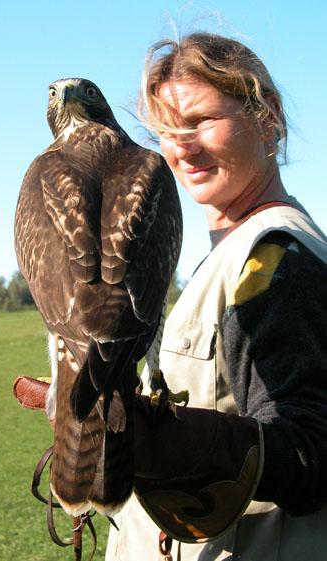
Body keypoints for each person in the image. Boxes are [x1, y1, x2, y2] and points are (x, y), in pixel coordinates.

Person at [105, 32, 327, 561]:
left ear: (267, 115)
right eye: (166, 130)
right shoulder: (234, 256)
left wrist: (162, 440)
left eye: (201, 120)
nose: (181, 146)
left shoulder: (272, 259)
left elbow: (311, 453)